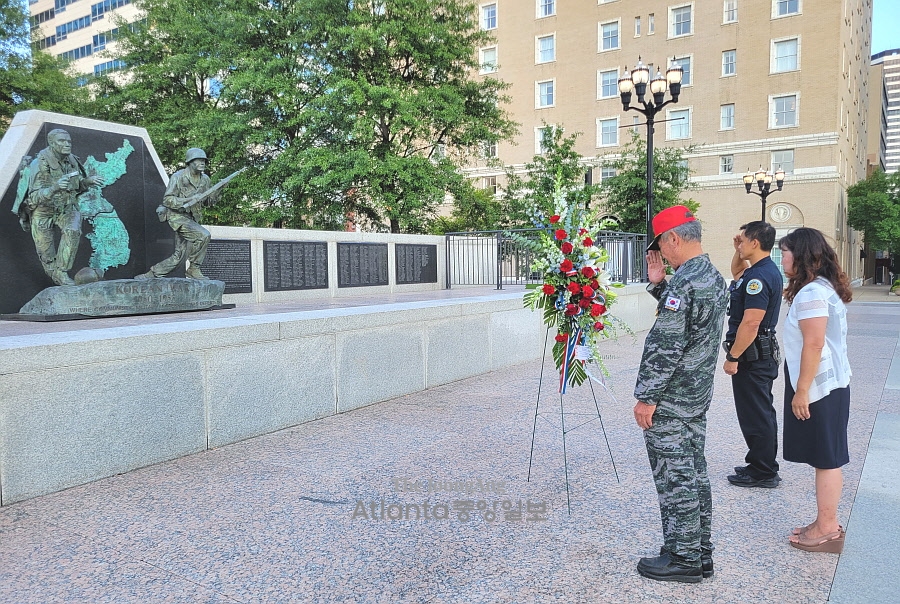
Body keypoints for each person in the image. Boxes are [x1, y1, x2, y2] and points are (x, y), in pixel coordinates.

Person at [633, 205, 728, 583]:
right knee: (694, 473)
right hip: (695, 396)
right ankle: (698, 551)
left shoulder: (685, 281)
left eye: (662, 245)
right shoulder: (710, 276)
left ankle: (683, 559)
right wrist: (659, 283)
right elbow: (692, 321)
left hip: (671, 400)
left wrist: (646, 396)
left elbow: (668, 342)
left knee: (676, 479)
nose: (662, 253)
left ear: (674, 238)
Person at [779, 228, 852, 553]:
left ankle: (827, 528)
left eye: (785, 252)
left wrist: (802, 391)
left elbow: (814, 342)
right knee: (826, 456)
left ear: (803, 255)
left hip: (821, 387)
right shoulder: (820, 288)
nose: (782, 258)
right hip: (828, 384)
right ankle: (825, 520)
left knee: (827, 458)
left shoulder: (811, 293)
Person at [722, 221, 784, 488]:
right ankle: (761, 462)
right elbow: (737, 271)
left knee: (756, 414)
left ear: (755, 243)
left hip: (753, 355)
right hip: (759, 354)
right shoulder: (761, 271)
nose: (741, 243)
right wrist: (738, 250)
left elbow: (751, 323)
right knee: (759, 411)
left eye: (744, 240)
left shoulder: (758, 278)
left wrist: (733, 357)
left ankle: (763, 472)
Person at [23, 129, 106, 286]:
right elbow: (33, 197)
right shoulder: (38, 164)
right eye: (62, 141)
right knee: (46, 255)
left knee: (73, 230)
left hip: (66, 208)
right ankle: (55, 274)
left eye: (69, 141)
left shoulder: (73, 161)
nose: (67, 144)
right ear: (52, 143)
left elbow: (75, 187)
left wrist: (86, 182)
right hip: (43, 211)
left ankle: (62, 272)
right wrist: (55, 187)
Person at [137, 148, 218, 280]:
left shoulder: (205, 180)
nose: (202, 162)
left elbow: (208, 202)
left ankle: (152, 273)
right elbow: (167, 199)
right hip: (178, 217)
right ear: (190, 162)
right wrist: (188, 199)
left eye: (204, 160)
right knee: (204, 235)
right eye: (199, 160)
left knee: (179, 256)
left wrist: (216, 192)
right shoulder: (178, 177)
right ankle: (194, 268)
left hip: (193, 219)